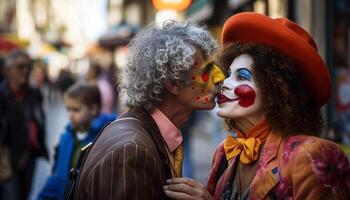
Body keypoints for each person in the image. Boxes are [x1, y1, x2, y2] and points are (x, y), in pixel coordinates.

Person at [163, 12, 350, 200]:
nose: (224, 83)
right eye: (228, 74)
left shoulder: (314, 156)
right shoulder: (224, 154)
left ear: (276, 90)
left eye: (242, 77)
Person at [73, 20, 225, 199]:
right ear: (173, 84)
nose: (220, 76)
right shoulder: (131, 151)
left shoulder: (144, 136)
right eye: (207, 70)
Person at [37, 82, 116, 200]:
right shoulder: (66, 138)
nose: (70, 115)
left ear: (93, 109)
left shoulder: (104, 139)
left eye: (76, 110)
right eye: (68, 109)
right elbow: (58, 177)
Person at [0, 49, 48, 200]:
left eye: (29, 66)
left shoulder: (34, 93)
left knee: (26, 194)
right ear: (8, 70)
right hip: (7, 158)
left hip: (29, 155)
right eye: (20, 67)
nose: (26, 71)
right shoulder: (1, 95)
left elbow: (38, 120)